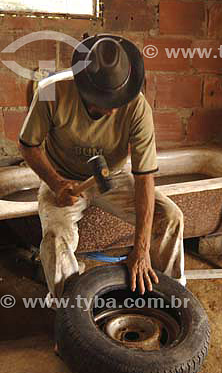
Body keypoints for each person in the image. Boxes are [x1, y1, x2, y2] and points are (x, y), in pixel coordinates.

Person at [19, 33, 185, 303]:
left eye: (118, 101)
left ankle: (171, 294)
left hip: (113, 178)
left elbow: (144, 178)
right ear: (82, 86)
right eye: (104, 102)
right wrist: (56, 183)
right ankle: (70, 313)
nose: (111, 111)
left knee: (171, 217)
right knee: (54, 236)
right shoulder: (51, 92)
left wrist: (141, 249)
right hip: (62, 179)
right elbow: (28, 146)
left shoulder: (137, 107)